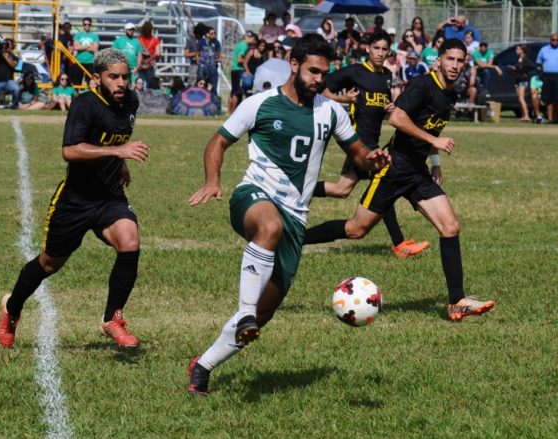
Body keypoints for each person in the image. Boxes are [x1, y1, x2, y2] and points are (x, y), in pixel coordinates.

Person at [185, 34, 390, 397]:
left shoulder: (331, 112)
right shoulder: (259, 104)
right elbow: (218, 141)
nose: (319, 79)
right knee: (269, 226)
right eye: (313, 71)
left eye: (324, 74)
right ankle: (245, 309)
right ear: (294, 65)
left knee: (264, 315)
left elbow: (359, 153)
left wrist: (370, 160)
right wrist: (213, 180)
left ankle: (203, 366)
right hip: (254, 197)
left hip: (296, 218)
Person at [307, 38, 495, 322]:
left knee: (450, 226)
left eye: (460, 60)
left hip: (417, 171)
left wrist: (434, 162)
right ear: (439, 60)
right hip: (394, 169)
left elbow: (431, 126)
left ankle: (457, 301)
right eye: (450, 59)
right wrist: (435, 141)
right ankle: (297, 238)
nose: (455, 65)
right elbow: (396, 118)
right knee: (357, 230)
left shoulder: (450, 93)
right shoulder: (423, 84)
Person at [0, 48, 148, 349]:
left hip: (110, 196)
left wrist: (122, 162)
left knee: (130, 242)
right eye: (113, 77)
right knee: (49, 264)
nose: (120, 83)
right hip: (75, 200)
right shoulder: (84, 105)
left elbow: (116, 136)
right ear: (97, 78)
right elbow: (70, 150)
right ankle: (12, 308)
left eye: (125, 77)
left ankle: (111, 319)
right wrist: (118, 153)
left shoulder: (130, 101)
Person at [305, 30, 429, 258]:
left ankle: (299, 189)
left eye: (385, 49)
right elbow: (322, 86)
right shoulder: (355, 72)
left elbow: (378, 108)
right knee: (385, 181)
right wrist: (343, 99)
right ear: (368, 49)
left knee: (341, 189)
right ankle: (400, 244)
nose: (380, 53)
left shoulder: (387, 77)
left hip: (371, 141)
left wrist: (389, 108)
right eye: (376, 48)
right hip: (358, 142)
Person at [536, 33, 558, 123]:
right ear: (550, 40)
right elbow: (538, 63)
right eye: (553, 40)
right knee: (548, 98)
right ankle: (550, 119)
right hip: (547, 76)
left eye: (557, 40)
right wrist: (541, 74)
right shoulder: (544, 50)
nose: (555, 42)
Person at [508, 44, 537, 122]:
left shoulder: (524, 59)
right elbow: (519, 68)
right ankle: (523, 115)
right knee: (519, 98)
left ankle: (527, 116)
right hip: (518, 79)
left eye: (518, 49)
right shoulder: (519, 59)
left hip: (522, 80)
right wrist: (514, 68)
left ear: (522, 50)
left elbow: (532, 66)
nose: (516, 51)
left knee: (521, 98)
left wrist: (525, 71)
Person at [229, 31, 255, 113]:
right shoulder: (244, 45)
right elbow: (239, 59)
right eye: (253, 39)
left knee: (234, 91)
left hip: (234, 70)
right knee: (238, 91)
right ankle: (233, 111)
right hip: (238, 70)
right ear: (250, 38)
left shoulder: (240, 43)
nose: (254, 41)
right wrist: (249, 61)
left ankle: (232, 110)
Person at [71, 17, 100, 86]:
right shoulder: (78, 35)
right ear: (83, 25)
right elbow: (76, 47)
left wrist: (82, 47)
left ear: (91, 25)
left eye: (88, 24)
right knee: (77, 82)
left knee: (91, 82)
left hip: (90, 61)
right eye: (85, 24)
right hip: (79, 61)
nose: (87, 26)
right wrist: (89, 46)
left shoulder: (94, 36)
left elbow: (95, 49)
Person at [137, 20, 160, 90]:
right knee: (150, 85)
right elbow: (158, 53)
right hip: (150, 65)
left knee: (139, 84)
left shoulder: (138, 38)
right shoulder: (155, 40)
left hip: (140, 65)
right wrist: (149, 59)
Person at [197, 27, 221, 94]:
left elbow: (218, 54)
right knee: (201, 85)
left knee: (213, 87)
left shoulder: (216, 42)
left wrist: (218, 59)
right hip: (202, 67)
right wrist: (198, 62)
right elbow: (197, 53)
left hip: (212, 67)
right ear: (207, 34)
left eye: (214, 33)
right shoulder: (201, 42)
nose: (214, 35)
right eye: (212, 33)